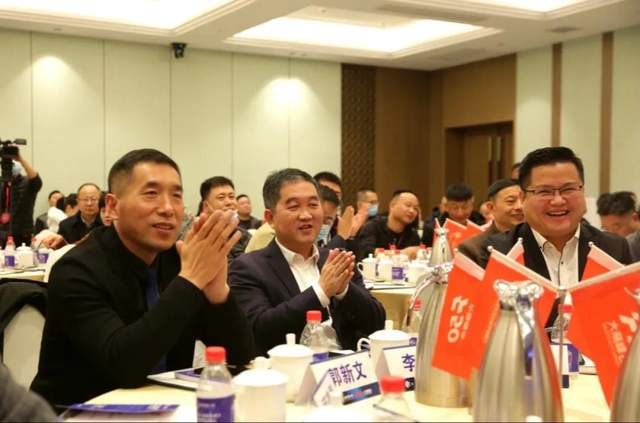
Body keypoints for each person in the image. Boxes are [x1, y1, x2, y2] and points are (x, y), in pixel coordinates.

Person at [31, 149, 254, 407]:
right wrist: (191, 280)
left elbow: (241, 354)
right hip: (80, 412)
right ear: (112, 206)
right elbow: (124, 366)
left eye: (176, 196)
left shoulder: (177, 259)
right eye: (151, 194)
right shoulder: (75, 270)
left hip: (169, 408)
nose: (168, 208)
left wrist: (217, 293)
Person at [229, 168, 385, 356]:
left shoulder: (335, 258)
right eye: (293, 207)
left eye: (313, 205)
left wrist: (344, 290)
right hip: (290, 369)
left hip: (345, 368)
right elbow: (258, 331)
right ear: (270, 218)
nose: (306, 215)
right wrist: (321, 292)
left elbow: (377, 322)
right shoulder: (248, 267)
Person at [479, 147, 631, 326]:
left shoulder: (613, 248)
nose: (558, 200)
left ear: (582, 191)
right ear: (523, 197)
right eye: (545, 191)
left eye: (568, 189)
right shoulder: (499, 252)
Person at [458, 179, 523, 265]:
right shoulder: (473, 248)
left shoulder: (536, 241)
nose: (520, 206)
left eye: (523, 200)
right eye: (511, 201)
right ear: (491, 207)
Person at [355, 189, 421, 261]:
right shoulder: (372, 227)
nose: (412, 211)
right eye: (408, 205)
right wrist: (402, 253)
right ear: (392, 205)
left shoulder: (412, 234)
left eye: (415, 208)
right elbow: (366, 252)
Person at [199, 176, 251, 261]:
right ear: (206, 206)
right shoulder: (200, 237)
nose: (229, 202)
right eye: (221, 198)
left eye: (231, 197)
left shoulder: (243, 235)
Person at [0, 150, 42, 247]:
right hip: (2, 230)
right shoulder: (2, 183)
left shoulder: (27, 182)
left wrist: (20, 159)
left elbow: (36, 180)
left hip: (22, 233)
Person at [421, 183, 485, 247]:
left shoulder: (482, 224)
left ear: (472, 206)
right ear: (446, 206)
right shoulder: (432, 227)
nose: (460, 213)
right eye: (455, 208)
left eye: (464, 207)